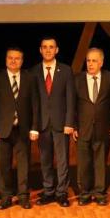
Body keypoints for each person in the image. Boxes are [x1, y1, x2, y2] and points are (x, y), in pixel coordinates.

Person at [0, 47, 39, 210]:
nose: (13, 61)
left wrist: (34, 127)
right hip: (3, 130)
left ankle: (23, 196)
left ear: (22, 61)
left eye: (17, 58)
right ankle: (6, 196)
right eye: (10, 58)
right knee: (4, 165)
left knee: (24, 164)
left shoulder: (29, 78)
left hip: (23, 130)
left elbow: (35, 105)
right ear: (6, 60)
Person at [29, 37, 76, 207]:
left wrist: (69, 122)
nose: (48, 50)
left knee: (62, 160)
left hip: (61, 124)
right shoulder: (33, 71)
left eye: (51, 47)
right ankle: (48, 191)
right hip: (42, 124)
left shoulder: (66, 70)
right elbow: (32, 101)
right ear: (40, 50)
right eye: (45, 47)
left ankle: (61, 192)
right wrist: (34, 126)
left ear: (57, 50)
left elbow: (70, 98)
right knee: (45, 160)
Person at [74, 48, 110, 206]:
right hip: (83, 128)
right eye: (88, 61)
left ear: (101, 62)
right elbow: (72, 105)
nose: (90, 64)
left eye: (94, 61)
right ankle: (84, 193)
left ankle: (99, 193)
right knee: (84, 163)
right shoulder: (77, 79)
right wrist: (74, 126)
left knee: (100, 163)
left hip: (103, 128)